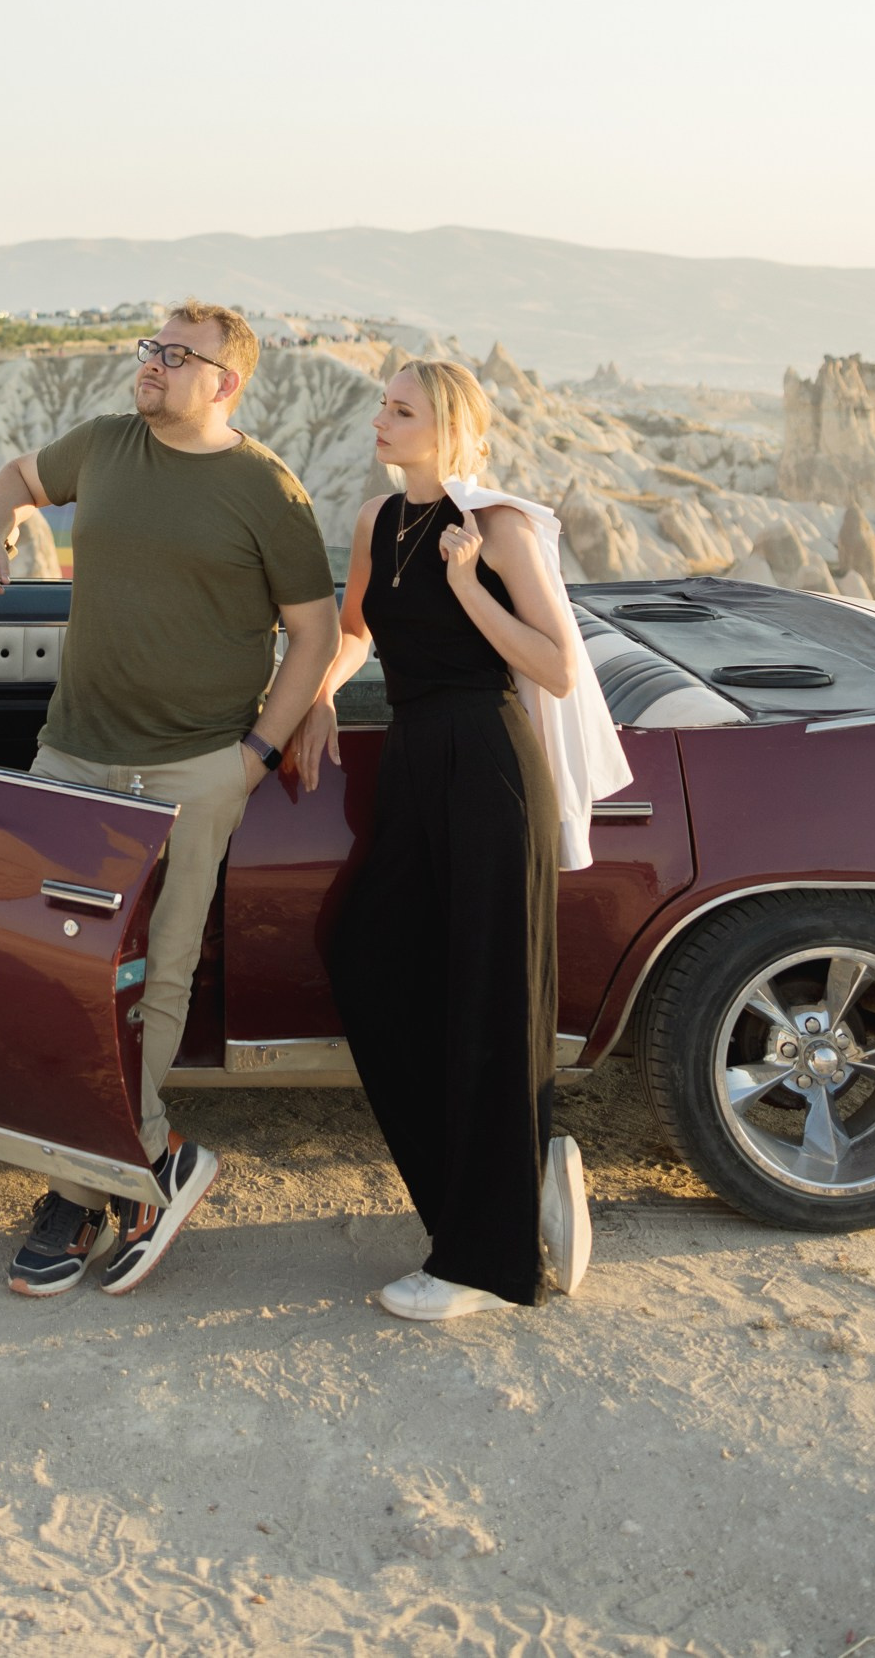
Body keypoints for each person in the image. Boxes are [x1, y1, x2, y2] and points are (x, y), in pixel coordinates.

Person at [0, 303, 337, 1300]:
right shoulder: (104, 445)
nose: (153, 366)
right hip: (73, 758)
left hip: (192, 772)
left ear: (225, 383)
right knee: (57, 979)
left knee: (155, 979)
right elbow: (11, 477)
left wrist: (252, 754)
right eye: (149, 349)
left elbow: (312, 632)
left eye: (177, 357)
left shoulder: (267, 491)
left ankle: (79, 1191)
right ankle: (131, 1169)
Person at [296, 358, 594, 1322]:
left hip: (488, 761)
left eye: (400, 409)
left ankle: (485, 1264)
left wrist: (469, 588)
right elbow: (354, 629)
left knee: (487, 997)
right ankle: (507, 1180)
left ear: (448, 424)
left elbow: (554, 667)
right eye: (380, 405)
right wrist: (320, 693)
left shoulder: (496, 527)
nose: (378, 420)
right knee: (367, 956)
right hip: (417, 763)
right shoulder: (375, 522)